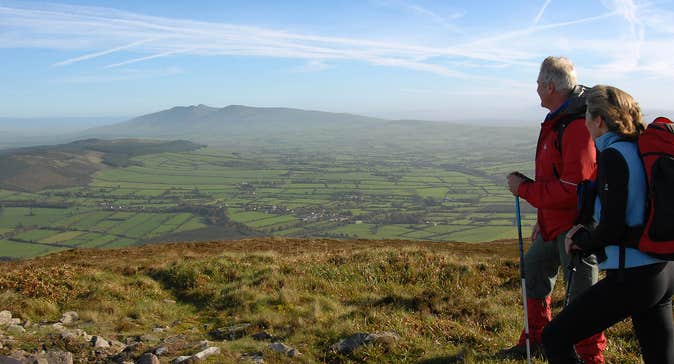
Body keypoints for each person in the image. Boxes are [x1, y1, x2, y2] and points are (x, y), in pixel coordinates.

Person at [542, 85, 674, 363]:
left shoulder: (614, 155)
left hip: (632, 276)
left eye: (587, 116)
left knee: (554, 337)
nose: (585, 122)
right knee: (660, 357)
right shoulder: (640, 148)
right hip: (663, 271)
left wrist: (581, 241)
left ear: (599, 120)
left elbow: (613, 227)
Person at [502, 56, 606, 363]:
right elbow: (556, 179)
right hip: (553, 225)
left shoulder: (575, 127)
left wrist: (523, 189)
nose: (535, 88)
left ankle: (590, 357)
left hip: (576, 228)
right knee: (532, 267)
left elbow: (573, 189)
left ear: (550, 86)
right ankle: (536, 340)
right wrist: (542, 218)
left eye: (537, 83)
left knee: (583, 297)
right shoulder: (558, 121)